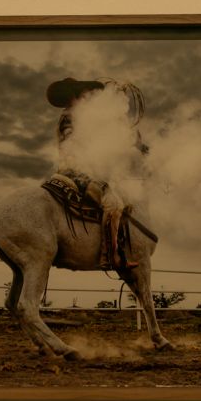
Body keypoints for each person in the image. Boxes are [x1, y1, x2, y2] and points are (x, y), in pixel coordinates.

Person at [45, 77, 147, 270]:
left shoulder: (77, 116)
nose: (88, 97)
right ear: (74, 96)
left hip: (76, 171)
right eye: (84, 94)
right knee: (114, 204)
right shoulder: (71, 117)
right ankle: (110, 256)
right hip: (75, 173)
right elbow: (75, 147)